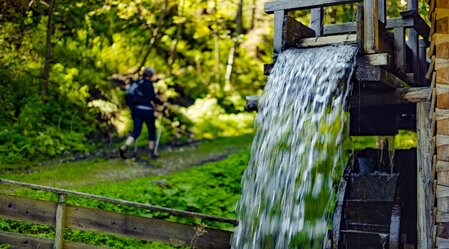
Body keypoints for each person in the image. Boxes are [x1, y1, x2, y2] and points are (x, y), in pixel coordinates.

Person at [119, 67, 160, 159]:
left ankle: (125, 147)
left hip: (136, 110)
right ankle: (151, 152)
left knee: (136, 130)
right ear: (151, 75)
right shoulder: (149, 84)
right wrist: (162, 103)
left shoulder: (137, 82)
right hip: (147, 110)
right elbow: (153, 98)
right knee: (151, 130)